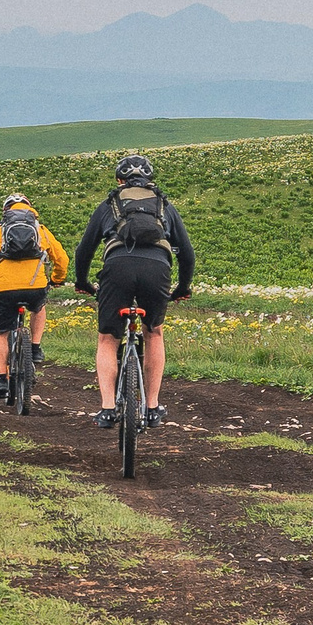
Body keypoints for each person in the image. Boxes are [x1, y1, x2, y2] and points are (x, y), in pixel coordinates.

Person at [71, 154, 194, 429]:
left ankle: (106, 409)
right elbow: (187, 253)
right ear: (150, 180)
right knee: (154, 332)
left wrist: (82, 282)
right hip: (157, 268)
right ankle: (152, 406)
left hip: (118, 266)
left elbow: (84, 250)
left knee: (107, 339)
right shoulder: (164, 206)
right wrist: (182, 288)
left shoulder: (109, 204)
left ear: (119, 180)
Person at [0, 192, 69, 401]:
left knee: (1, 333)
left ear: (6, 211)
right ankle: (36, 347)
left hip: (6, 290)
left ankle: (2, 379)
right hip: (35, 287)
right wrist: (57, 279)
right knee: (38, 307)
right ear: (29, 210)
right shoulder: (41, 230)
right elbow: (62, 259)